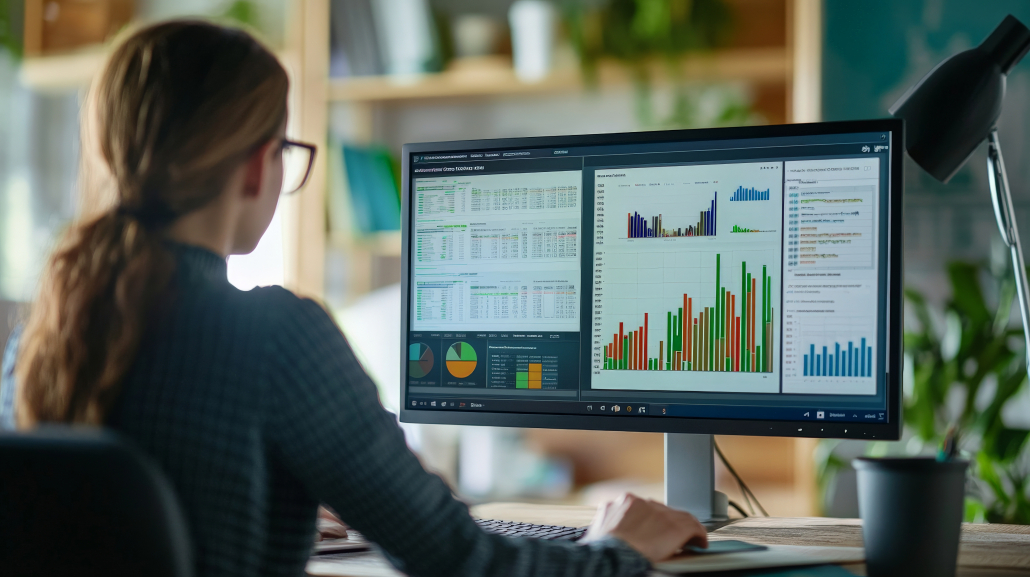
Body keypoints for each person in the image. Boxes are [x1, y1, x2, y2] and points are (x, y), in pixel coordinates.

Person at [0, 20, 707, 577]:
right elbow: (463, 559)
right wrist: (616, 546)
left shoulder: (37, 342)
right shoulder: (276, 337)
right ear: (256, 166)